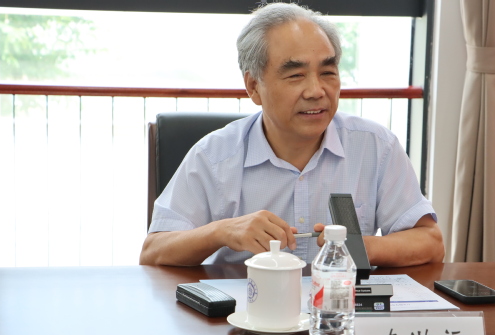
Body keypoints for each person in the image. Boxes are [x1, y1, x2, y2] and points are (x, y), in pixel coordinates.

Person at [140, 2, 444, 268]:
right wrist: (222, 231)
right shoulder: (214, 156)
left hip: (339, 309)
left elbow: (430, 242)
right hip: (246, 310)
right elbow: (153, 252)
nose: (316, 91)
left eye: (327, 72)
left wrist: (358, 247)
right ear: (254, 87)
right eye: (296, 75)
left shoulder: (375, 146)